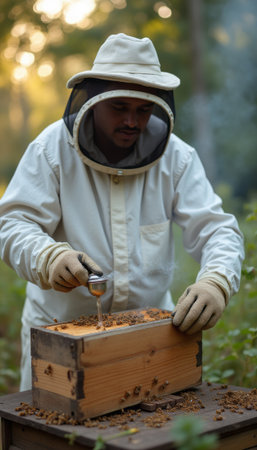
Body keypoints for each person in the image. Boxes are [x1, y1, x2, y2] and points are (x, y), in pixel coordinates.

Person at [0, 33, 244, 391]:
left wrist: (216, 282)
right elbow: (12, 224)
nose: (132, 121)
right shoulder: (50, 150)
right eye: (119, 108)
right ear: (93, 101)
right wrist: (47, 256)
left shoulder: (177, 158)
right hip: (59, 333)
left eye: (143, 110)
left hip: (150, 337)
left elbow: (217, 230)